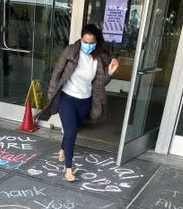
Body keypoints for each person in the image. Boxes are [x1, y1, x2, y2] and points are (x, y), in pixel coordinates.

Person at [36, 24, 120, 182]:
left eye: (91, 42)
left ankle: (63, 147)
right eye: (85, 41)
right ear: (81, 39)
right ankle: (68, 169)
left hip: (85, 101)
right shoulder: (71, 52)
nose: (87, 45)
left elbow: (100, 83)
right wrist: (51, 95)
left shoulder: (100, 58)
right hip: (67, 98)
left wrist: (110, 73)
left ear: (97, 42)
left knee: (71, 130)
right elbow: (57, 73)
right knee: (72, 132)